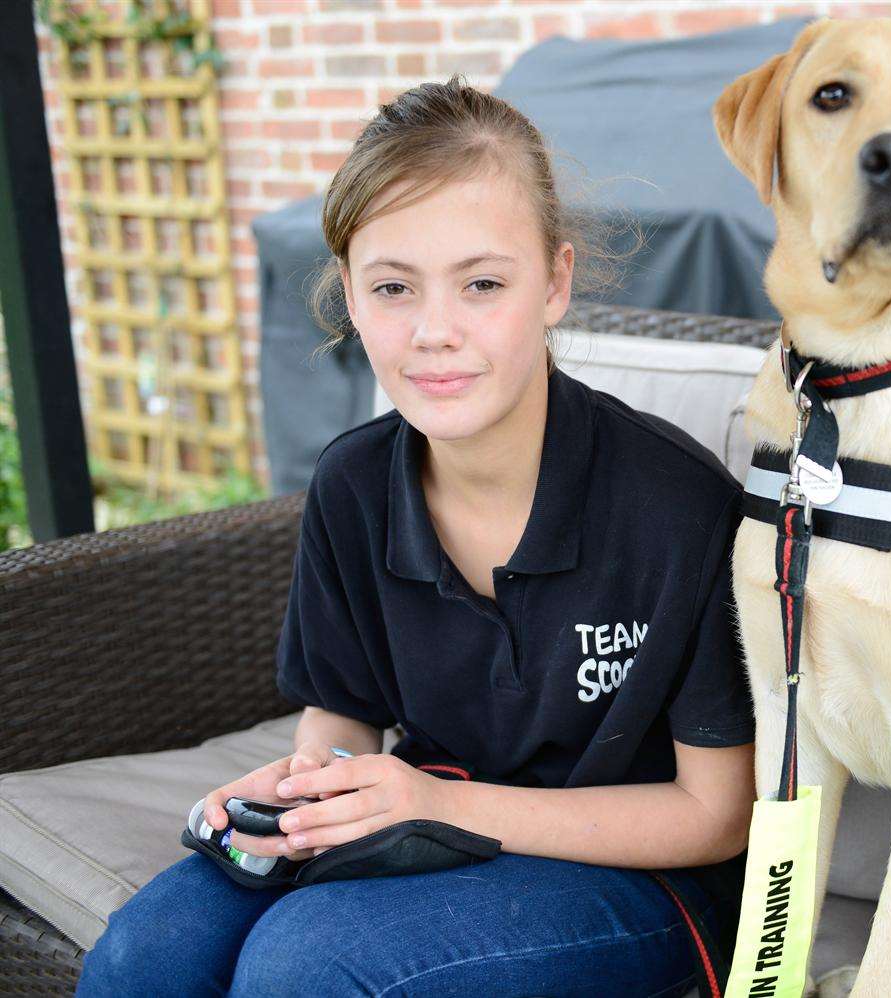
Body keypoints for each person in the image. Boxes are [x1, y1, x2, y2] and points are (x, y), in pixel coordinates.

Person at [75, 76, 756, 998]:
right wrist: (312, 787)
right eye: (394, 286)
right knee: (148, 952)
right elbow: (346, 715)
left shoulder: (677, 509)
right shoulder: (353, 485)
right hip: (429, 825)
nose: (436, 331)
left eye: (482, 283)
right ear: (350, 296)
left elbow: (716, 816)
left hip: (644, 880)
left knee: (306, 967)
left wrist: (433, 802)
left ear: (554, 283)